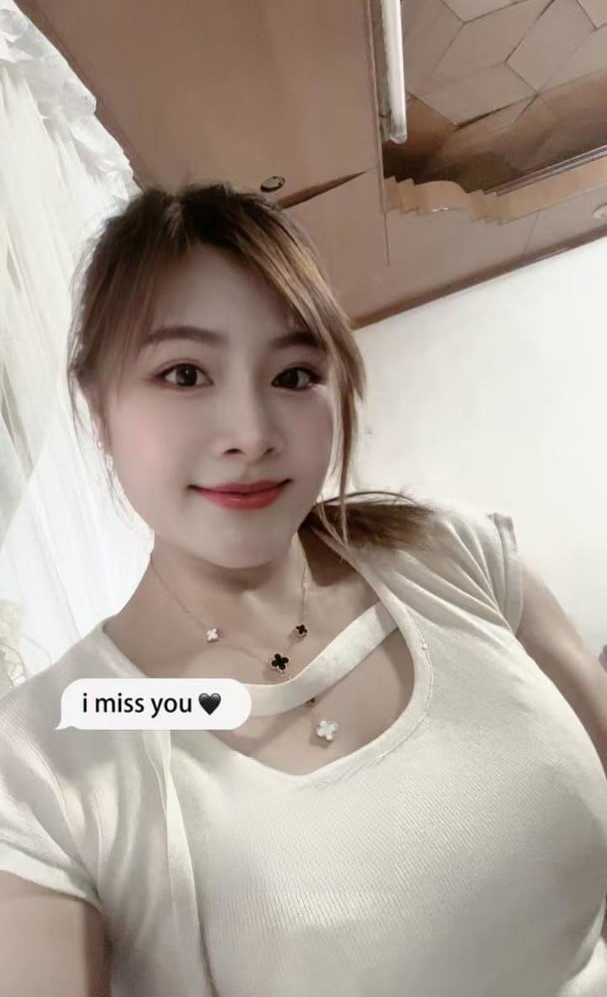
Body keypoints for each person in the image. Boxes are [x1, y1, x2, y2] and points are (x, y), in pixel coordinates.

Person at [1, 182, 606, 997]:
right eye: (184, 373)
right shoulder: (40, 760)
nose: (251, 434)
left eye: (293, 374)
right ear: (97, 406)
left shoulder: (452, 554)